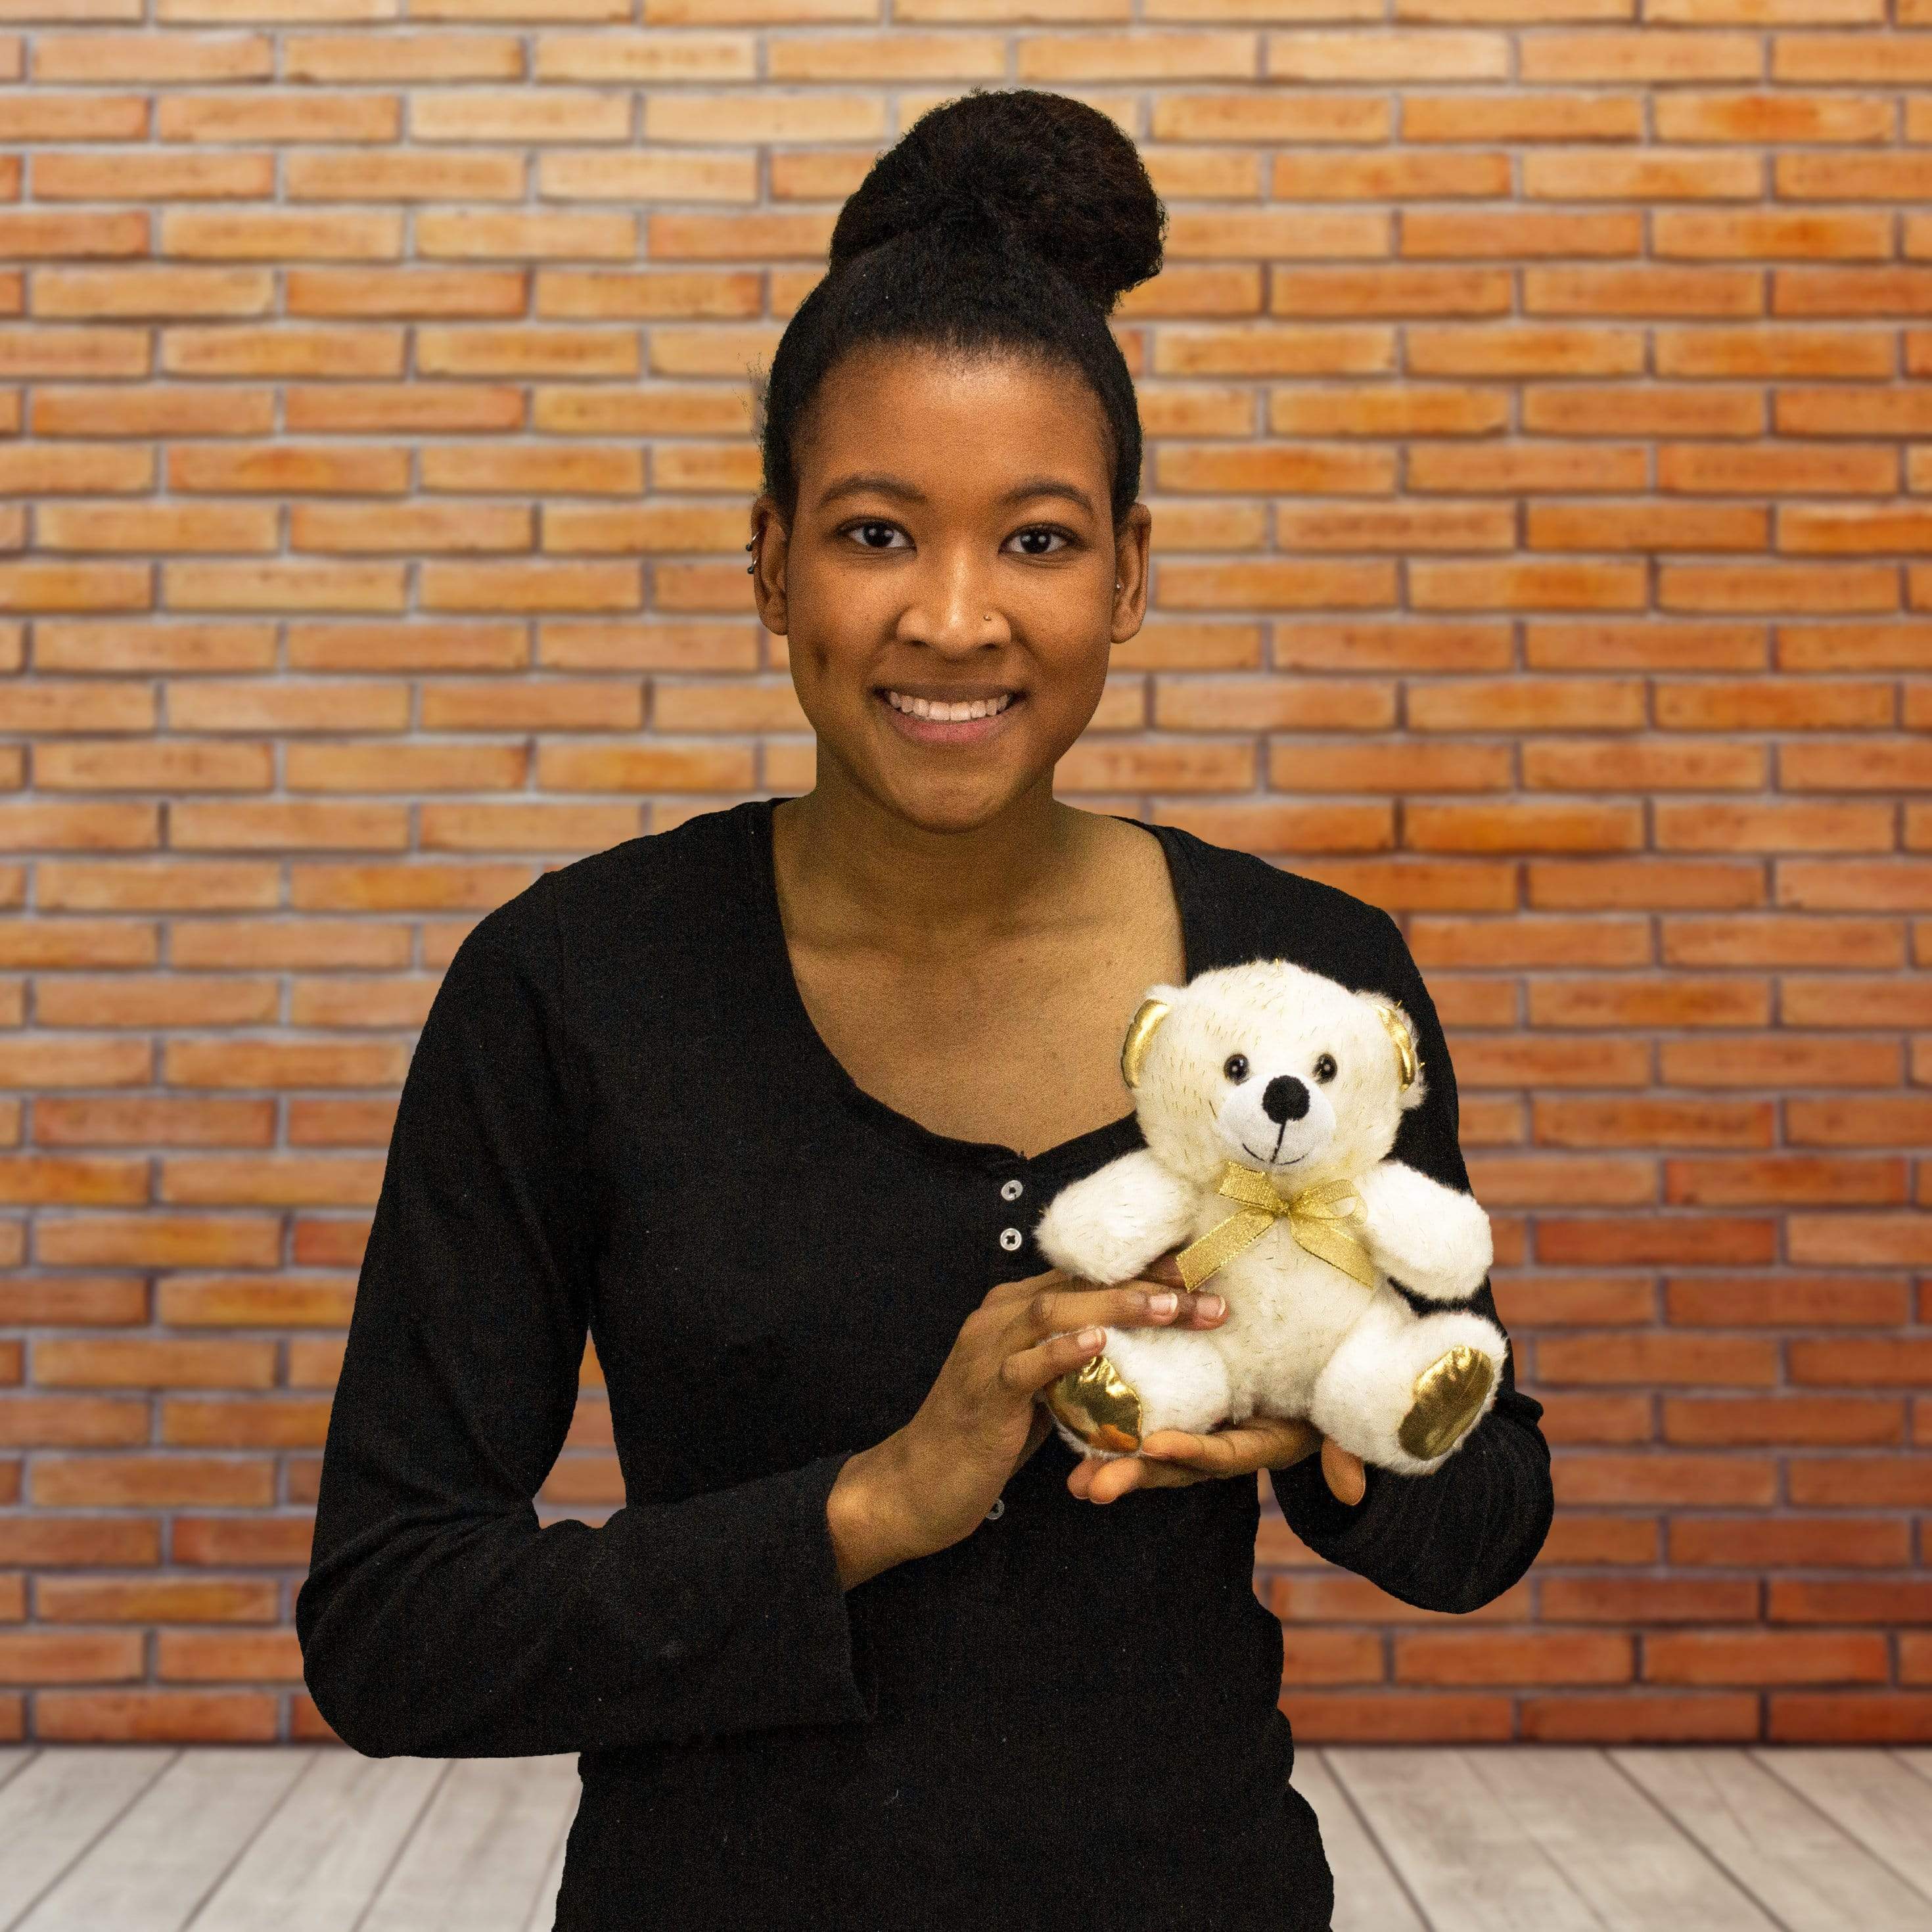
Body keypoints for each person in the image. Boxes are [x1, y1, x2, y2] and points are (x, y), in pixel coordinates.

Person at [296, 87, 1553, 1932]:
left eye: (1036, 541)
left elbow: (1489, 1516)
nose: (955, 620)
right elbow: (392, 1623)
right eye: (876, 532)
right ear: (769, 559)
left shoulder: (1302, 976)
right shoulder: (571, 985)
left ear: (1130, 570)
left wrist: (1337, 1430)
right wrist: (875, 1504)